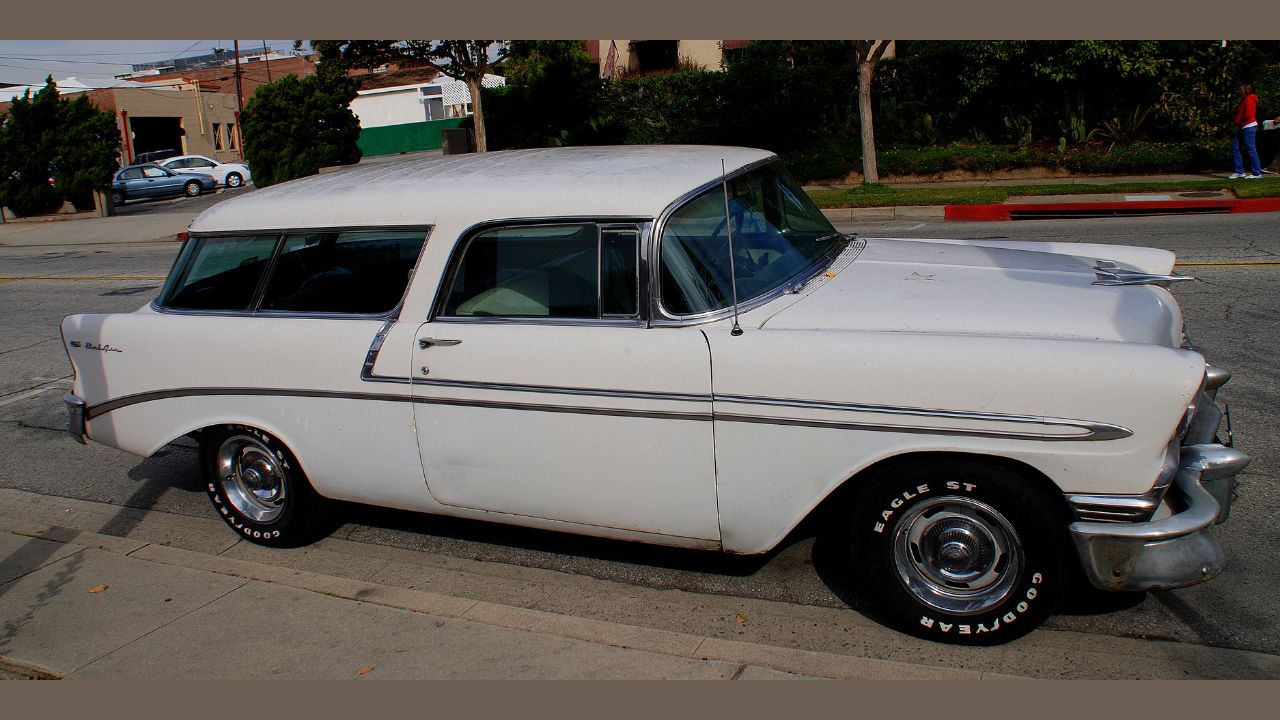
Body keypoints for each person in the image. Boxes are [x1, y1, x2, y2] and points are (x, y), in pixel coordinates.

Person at [1229, 81, 1262, 179]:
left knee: (1251, 149)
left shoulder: (1248, 99)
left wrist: (1237, 120)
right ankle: (1239, 171)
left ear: (1243, 89)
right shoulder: (1244, 99)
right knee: (1235, 146)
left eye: (1238, 90)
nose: (1237, 92)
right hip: (1244, 126)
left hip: (1249, 126)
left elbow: (1248, 114)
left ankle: (1257, 173)